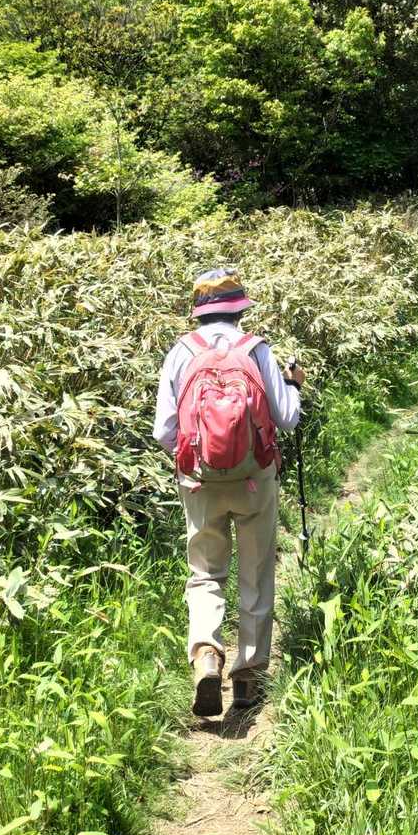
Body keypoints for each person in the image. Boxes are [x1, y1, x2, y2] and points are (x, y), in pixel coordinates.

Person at [153, 267, 305, 717]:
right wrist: (294, 386)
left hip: (199, 481)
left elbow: (163, 430)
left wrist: (194, 458)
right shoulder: (256, 349)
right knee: (255, 572)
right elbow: (286, 418)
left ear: (199, 311)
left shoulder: (181, 352)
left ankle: (206, 654)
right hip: (254, 478)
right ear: (240, 309)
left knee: (205, 573)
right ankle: (248, 677)